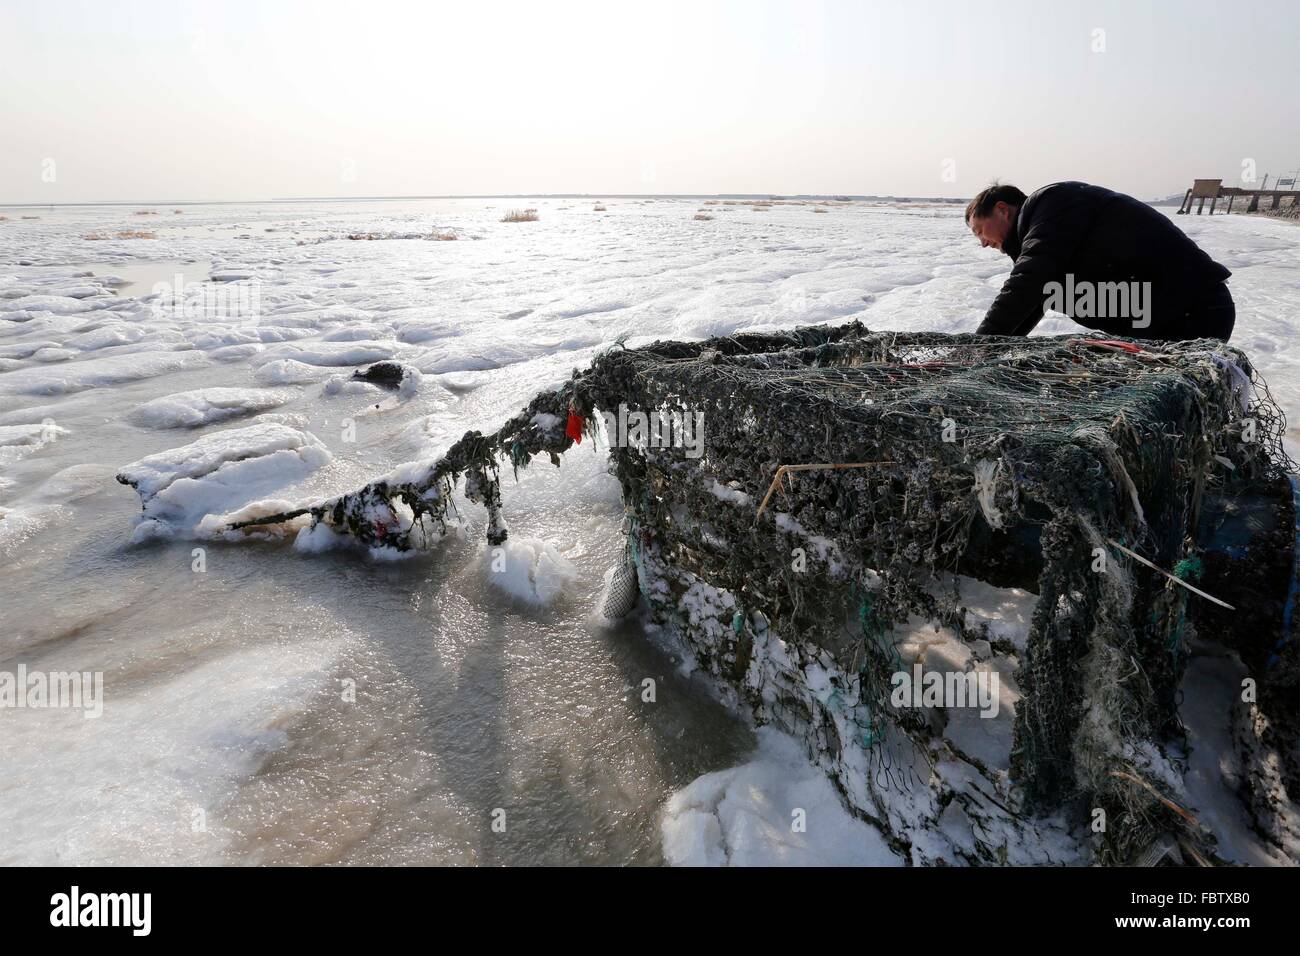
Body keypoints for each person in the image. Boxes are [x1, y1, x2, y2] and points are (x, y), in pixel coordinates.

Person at [966, 181, 1234, 340]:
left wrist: (975, 348)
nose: (983, 243)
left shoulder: (1053, 204)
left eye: (980, 231)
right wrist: (989, 350)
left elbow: (1029, 281)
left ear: (1001, 210)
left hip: (1193, 312)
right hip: (1161, 322)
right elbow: (1033, 300)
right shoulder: (1045, 231)